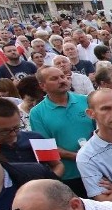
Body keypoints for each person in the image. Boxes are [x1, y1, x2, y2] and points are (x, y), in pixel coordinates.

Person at [29, 66, 95, 198]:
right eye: (54, 79)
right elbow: (45, 150)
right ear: (43, 86)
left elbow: (99, 130)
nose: (61, 80)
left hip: (96, 168)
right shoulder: (36, 113)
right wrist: (77, 156)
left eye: (63, 76)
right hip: (69, 176)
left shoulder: (86, 101)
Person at [0, 97, 64, 177]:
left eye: (16, 128)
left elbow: (58, 165)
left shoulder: (36, 137)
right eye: (4, 131)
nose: (13, 134)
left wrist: (49, 183)